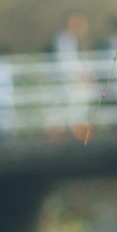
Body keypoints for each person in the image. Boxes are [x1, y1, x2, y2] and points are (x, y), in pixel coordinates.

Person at [48, 12, 92, 141]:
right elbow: (66, 62)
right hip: (66, 84)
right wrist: (81, 74)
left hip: (70, 84)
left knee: (69, 113)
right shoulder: (64, 39)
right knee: (68, 113)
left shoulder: (69, 39)